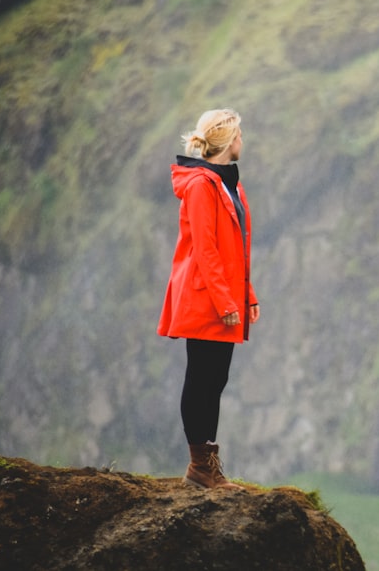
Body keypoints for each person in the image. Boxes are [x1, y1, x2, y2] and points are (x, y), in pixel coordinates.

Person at [158, 108, 260, 490]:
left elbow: (236, 248)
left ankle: (207, 464)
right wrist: (226, 302)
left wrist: (246, 295)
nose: (242, 142)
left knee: (216, 378)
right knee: (201, 378)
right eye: (239, 136)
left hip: (222, 297)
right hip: (205, 298)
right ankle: (201, 465)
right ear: (228, 141)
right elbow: (206, 249)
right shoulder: (202, 185)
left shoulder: (227, 184)